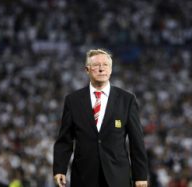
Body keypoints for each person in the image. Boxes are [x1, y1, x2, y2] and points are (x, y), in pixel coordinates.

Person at [53, 49, 148, 187]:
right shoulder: (73, 100)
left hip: (117, 177)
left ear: (110, 70)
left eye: (105, 65)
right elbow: (65, 139)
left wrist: (140, 176)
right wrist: (60, 168)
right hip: (84, 176)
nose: (101, 69)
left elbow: (136, 141)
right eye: (96, 65)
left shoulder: (127, 100)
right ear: (87, 69)